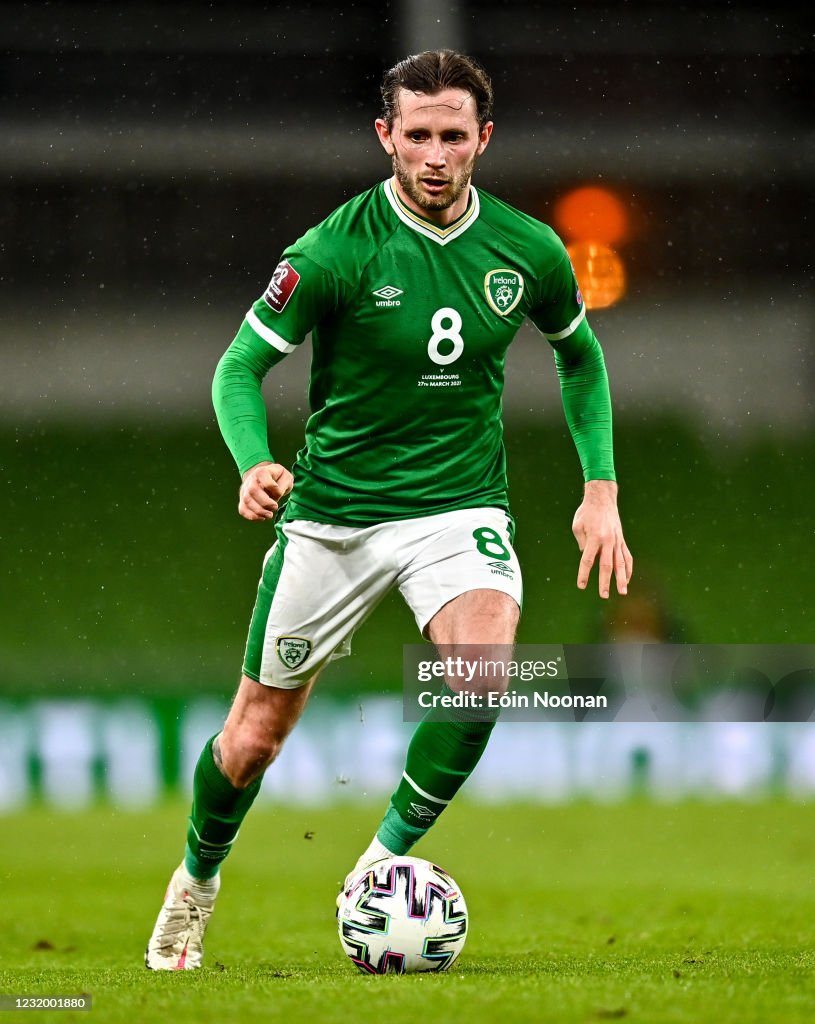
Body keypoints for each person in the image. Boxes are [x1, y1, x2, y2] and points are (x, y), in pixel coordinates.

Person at [145, 48, 632, 971]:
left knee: (484, 674)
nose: (436, 154)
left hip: (456, 507)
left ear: (483, 138)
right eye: (418, 135)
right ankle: (195, 882)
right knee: (252, 738)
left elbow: (581, 358)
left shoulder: (527, 249)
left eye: (455, 135)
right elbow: (239, 368)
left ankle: (375, 869)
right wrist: (255, 463)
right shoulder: (334, 249)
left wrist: (597, 491)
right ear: (387, 137)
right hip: (332, 515)